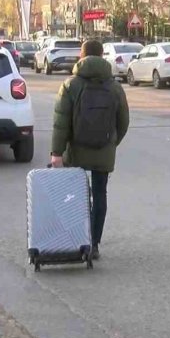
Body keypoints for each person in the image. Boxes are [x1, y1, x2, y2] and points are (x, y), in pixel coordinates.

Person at [50, 40, 130, 260]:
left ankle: (76, 239)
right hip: (104, 149)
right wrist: (111, 142)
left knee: (73, 196)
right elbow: (123, 121)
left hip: (75, 151)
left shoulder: (70, 85)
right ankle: (94, 244)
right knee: (100, 195)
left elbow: (61, 123)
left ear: (81, 55)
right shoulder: (114, 86)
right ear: (102, 56)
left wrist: (57, 152)